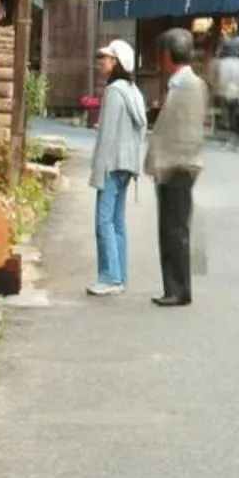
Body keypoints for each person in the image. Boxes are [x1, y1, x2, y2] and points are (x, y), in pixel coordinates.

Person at [147, 28, 208, 307]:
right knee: (173, 228)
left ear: (168, 55)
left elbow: (174, 131)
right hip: (180, 164)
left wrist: (157, 162)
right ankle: (175, 287)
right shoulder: (189, 84)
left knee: (174, 229)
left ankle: (178, 289)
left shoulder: (185, 86)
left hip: (178, 165)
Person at [89, 41, 147, 298]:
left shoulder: (113, 91)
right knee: (118, 221)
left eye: (107, 58)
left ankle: (110, 277)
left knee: (104, 220)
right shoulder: (134, 91)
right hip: (128, 163)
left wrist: (98, 171)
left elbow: (108, 135)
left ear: (118, 63)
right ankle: (119, 276)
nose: (102, 61)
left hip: (112, 163)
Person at [212, 36, 239, 142]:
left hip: (228, 89)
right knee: (237, 110)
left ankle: (230, 131)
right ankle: (238, 131)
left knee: (228, 110)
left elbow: (223, 78)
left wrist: (222, 87)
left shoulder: (224, 62)